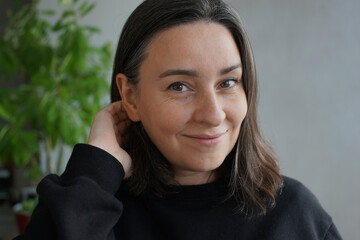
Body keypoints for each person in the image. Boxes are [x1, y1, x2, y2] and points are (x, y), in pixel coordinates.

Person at [15, 0, 342, 239]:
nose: (213, 114)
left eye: (227, 82)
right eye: (180, 86)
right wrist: (97, 166)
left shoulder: (297, 215)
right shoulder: (91, 207)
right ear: (130, 97)